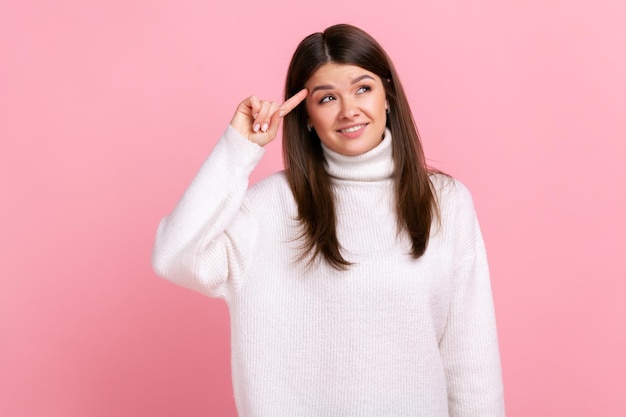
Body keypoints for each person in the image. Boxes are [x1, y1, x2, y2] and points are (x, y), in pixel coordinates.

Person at [152, 23, 505, 417]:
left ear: (387, 95)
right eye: (326, 98)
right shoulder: (273, 206)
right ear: (305, 115)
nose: (348, 110)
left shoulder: (446, 203)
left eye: (363, 88)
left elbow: (471, 360)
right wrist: (238, 149)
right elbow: (175, 257)